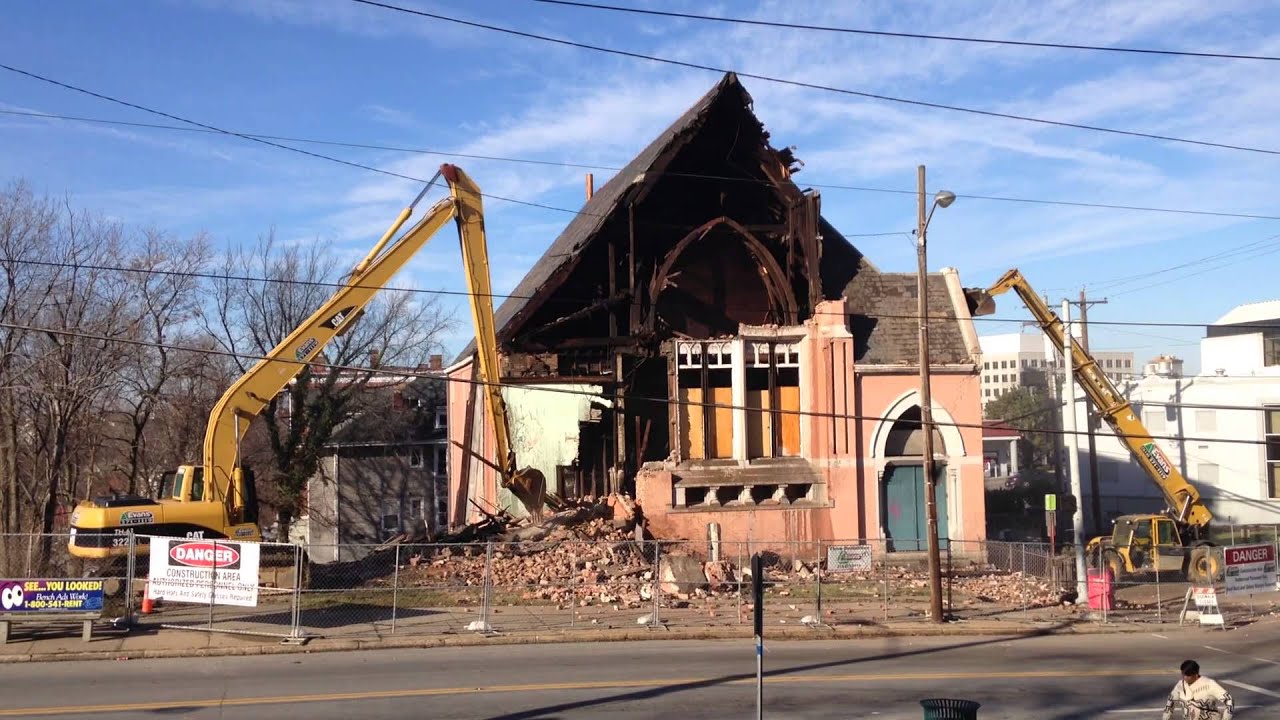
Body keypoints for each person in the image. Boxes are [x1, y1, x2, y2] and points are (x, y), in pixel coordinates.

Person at [1162, 659, 1234, 720]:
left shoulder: (1209, 684)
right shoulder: (1180, 684)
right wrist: (1166, 717)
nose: (1184, 677)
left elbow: (1229, 700)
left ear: (1196, 674)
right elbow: (1170, 701)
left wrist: (1226, 718)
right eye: (1183, 674)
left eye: (1188, 675)